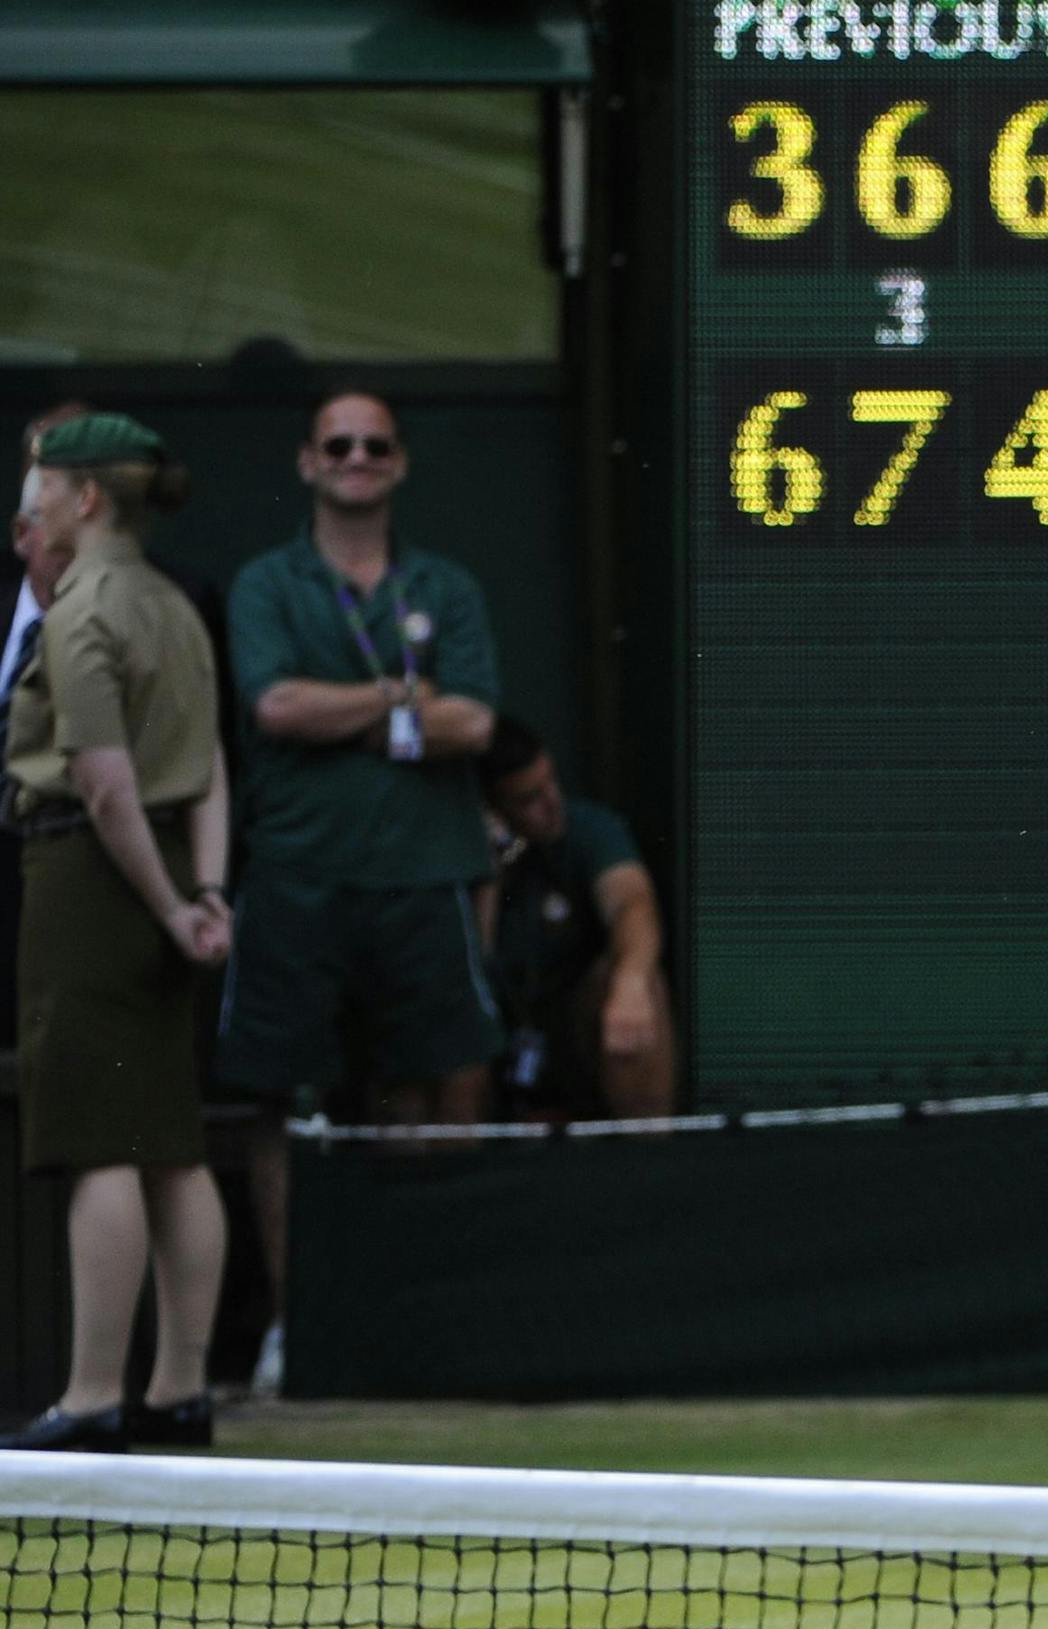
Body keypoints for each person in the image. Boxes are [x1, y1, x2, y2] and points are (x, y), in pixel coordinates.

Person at [216, 390, 507, 1397]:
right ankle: (301, 1328)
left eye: (375, 444)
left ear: (400, 464)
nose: (356, 457)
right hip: (299, 878)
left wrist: (362, 711)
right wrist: (396, 698)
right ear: (306, 462)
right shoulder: (269, 583)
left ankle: (421, 1323)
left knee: (434, 1092)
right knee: (283, 1109)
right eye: (337, 444)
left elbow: (475, 724)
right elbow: (277, 705)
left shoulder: (445, 587)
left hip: (423, 876)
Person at [3, 416, 231, 1452]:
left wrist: (162, 904)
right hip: (175, 878)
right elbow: (211, 765)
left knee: (103, 1143)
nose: (31, 506)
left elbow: (100, 784)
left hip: (97, 885)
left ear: (86, 499)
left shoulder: (83, 610)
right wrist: (206, 893)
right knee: (172, 1144)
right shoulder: (177, 605)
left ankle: (94, 1396)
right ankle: (179, 1390)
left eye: (43, 487)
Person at [477, 717, 674, 1118]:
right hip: (492, 1039)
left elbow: (631, 902)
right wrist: (489, 875)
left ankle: (648, 1158)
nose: (552, 803)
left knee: (635, 985)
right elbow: (476, 961)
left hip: (569, 1032)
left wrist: (631, 981)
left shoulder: (585, 828)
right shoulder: (469, 856)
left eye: (551, 782)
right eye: (530, 798)